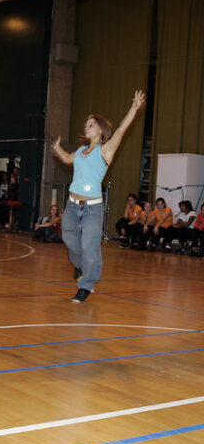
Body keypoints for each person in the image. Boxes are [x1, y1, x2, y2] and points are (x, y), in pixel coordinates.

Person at [52, 90, 146, 302]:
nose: (86, 127)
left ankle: (86, 285)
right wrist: (58, 149)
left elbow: (121, 130)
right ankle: (80, 266)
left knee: (89, 246)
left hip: (92, 208)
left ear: (100, 130)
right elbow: (67, 159)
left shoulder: (106, 150)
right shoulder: (81, 150)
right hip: (72, 205)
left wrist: (134, 109)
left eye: (91, 125)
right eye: (86, 125)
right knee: (69, 238)